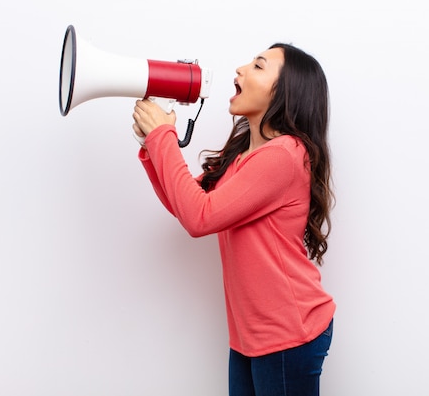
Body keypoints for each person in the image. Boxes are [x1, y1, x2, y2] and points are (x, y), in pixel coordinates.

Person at [132, 42, 336, 396]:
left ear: (286, 92)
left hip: (288, 331)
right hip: (250, 334)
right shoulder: (243, 155)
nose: (240, 69)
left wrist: (161, 137)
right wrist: (153, 149)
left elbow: (199, 217)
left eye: (258, 66)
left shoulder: (286, 155)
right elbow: (188, 205)